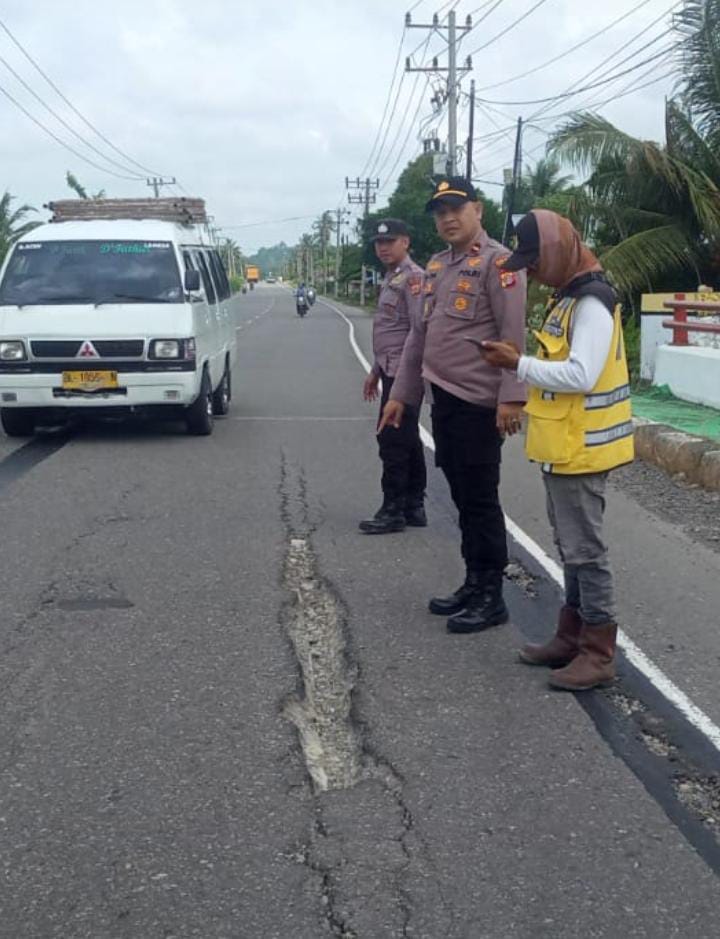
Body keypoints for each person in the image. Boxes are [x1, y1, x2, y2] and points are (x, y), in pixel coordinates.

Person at [480, 209, 634, 690]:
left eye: (534, 260)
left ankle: (598, 651)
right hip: (564, 445)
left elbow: (581, 376)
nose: (529, 271)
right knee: (569, 549)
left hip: (583, 448)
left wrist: (517, 363)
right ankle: (571, 636)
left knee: (585, 552)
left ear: (559, 249)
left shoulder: (591, 302)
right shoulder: (568, 297)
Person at [379, 177, 527, 633]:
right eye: (440, 212)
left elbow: (512, 334)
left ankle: (492, 595)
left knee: (480, 498)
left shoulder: (499, 263)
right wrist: (401, 396)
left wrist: (512, 397)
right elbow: (417, 340)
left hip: (480, 404)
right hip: (443, 399)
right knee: (461, 494)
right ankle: (472, 580)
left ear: (477, 209)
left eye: (455, 208)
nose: (447, 218)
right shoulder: (438, 269)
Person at [359, 219, 427, 534]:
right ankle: (414, 506)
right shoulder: (392, 278)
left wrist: (401, 382)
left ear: (406, 242)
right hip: (389, 368)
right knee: (408, 438)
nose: (383, 248)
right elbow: (390, 330)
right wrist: (375, 370)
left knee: (392, 439)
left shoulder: (414, 279)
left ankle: (393, 509)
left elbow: (418, 330)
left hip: (404, 373)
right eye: (379, 243)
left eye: (391, 241)